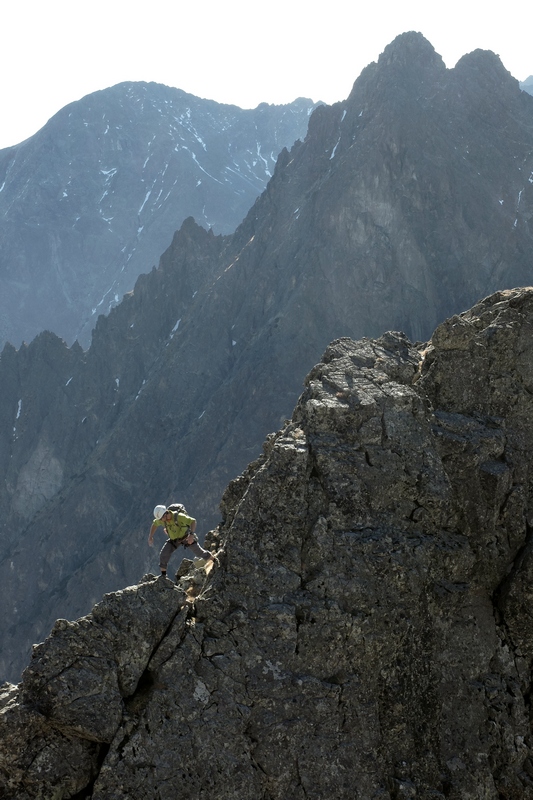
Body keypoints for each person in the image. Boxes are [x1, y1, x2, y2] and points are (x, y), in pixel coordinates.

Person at [148, 504, 214, 578]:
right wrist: (150, 536)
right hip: (174, 540)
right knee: (163, 554)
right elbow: (155, 524)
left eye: (160, 519)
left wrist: (191, 535)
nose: (160, 521)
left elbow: (193, 521)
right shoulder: (163, 520)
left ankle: (214, 560)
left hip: (186, 537)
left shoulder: (179, 516)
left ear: (165, 514)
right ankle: (163, 576)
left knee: (199, 552)